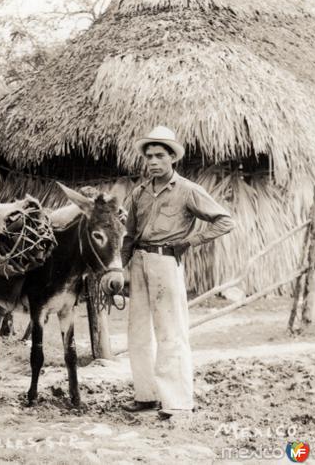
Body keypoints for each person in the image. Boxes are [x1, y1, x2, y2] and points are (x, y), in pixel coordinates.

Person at [121, 126, 235, 420]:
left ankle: (176, 402)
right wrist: (121, 269)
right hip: (138, 261)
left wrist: (189, 241)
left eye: (160, 156)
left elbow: (224, 221)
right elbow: (128, 234)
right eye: (149, 157)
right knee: (138, 333)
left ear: (172, 158)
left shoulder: (188, 190)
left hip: (166, 261)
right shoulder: (139, 193)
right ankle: (145, 396)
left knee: (171, 332)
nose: (153, 162)